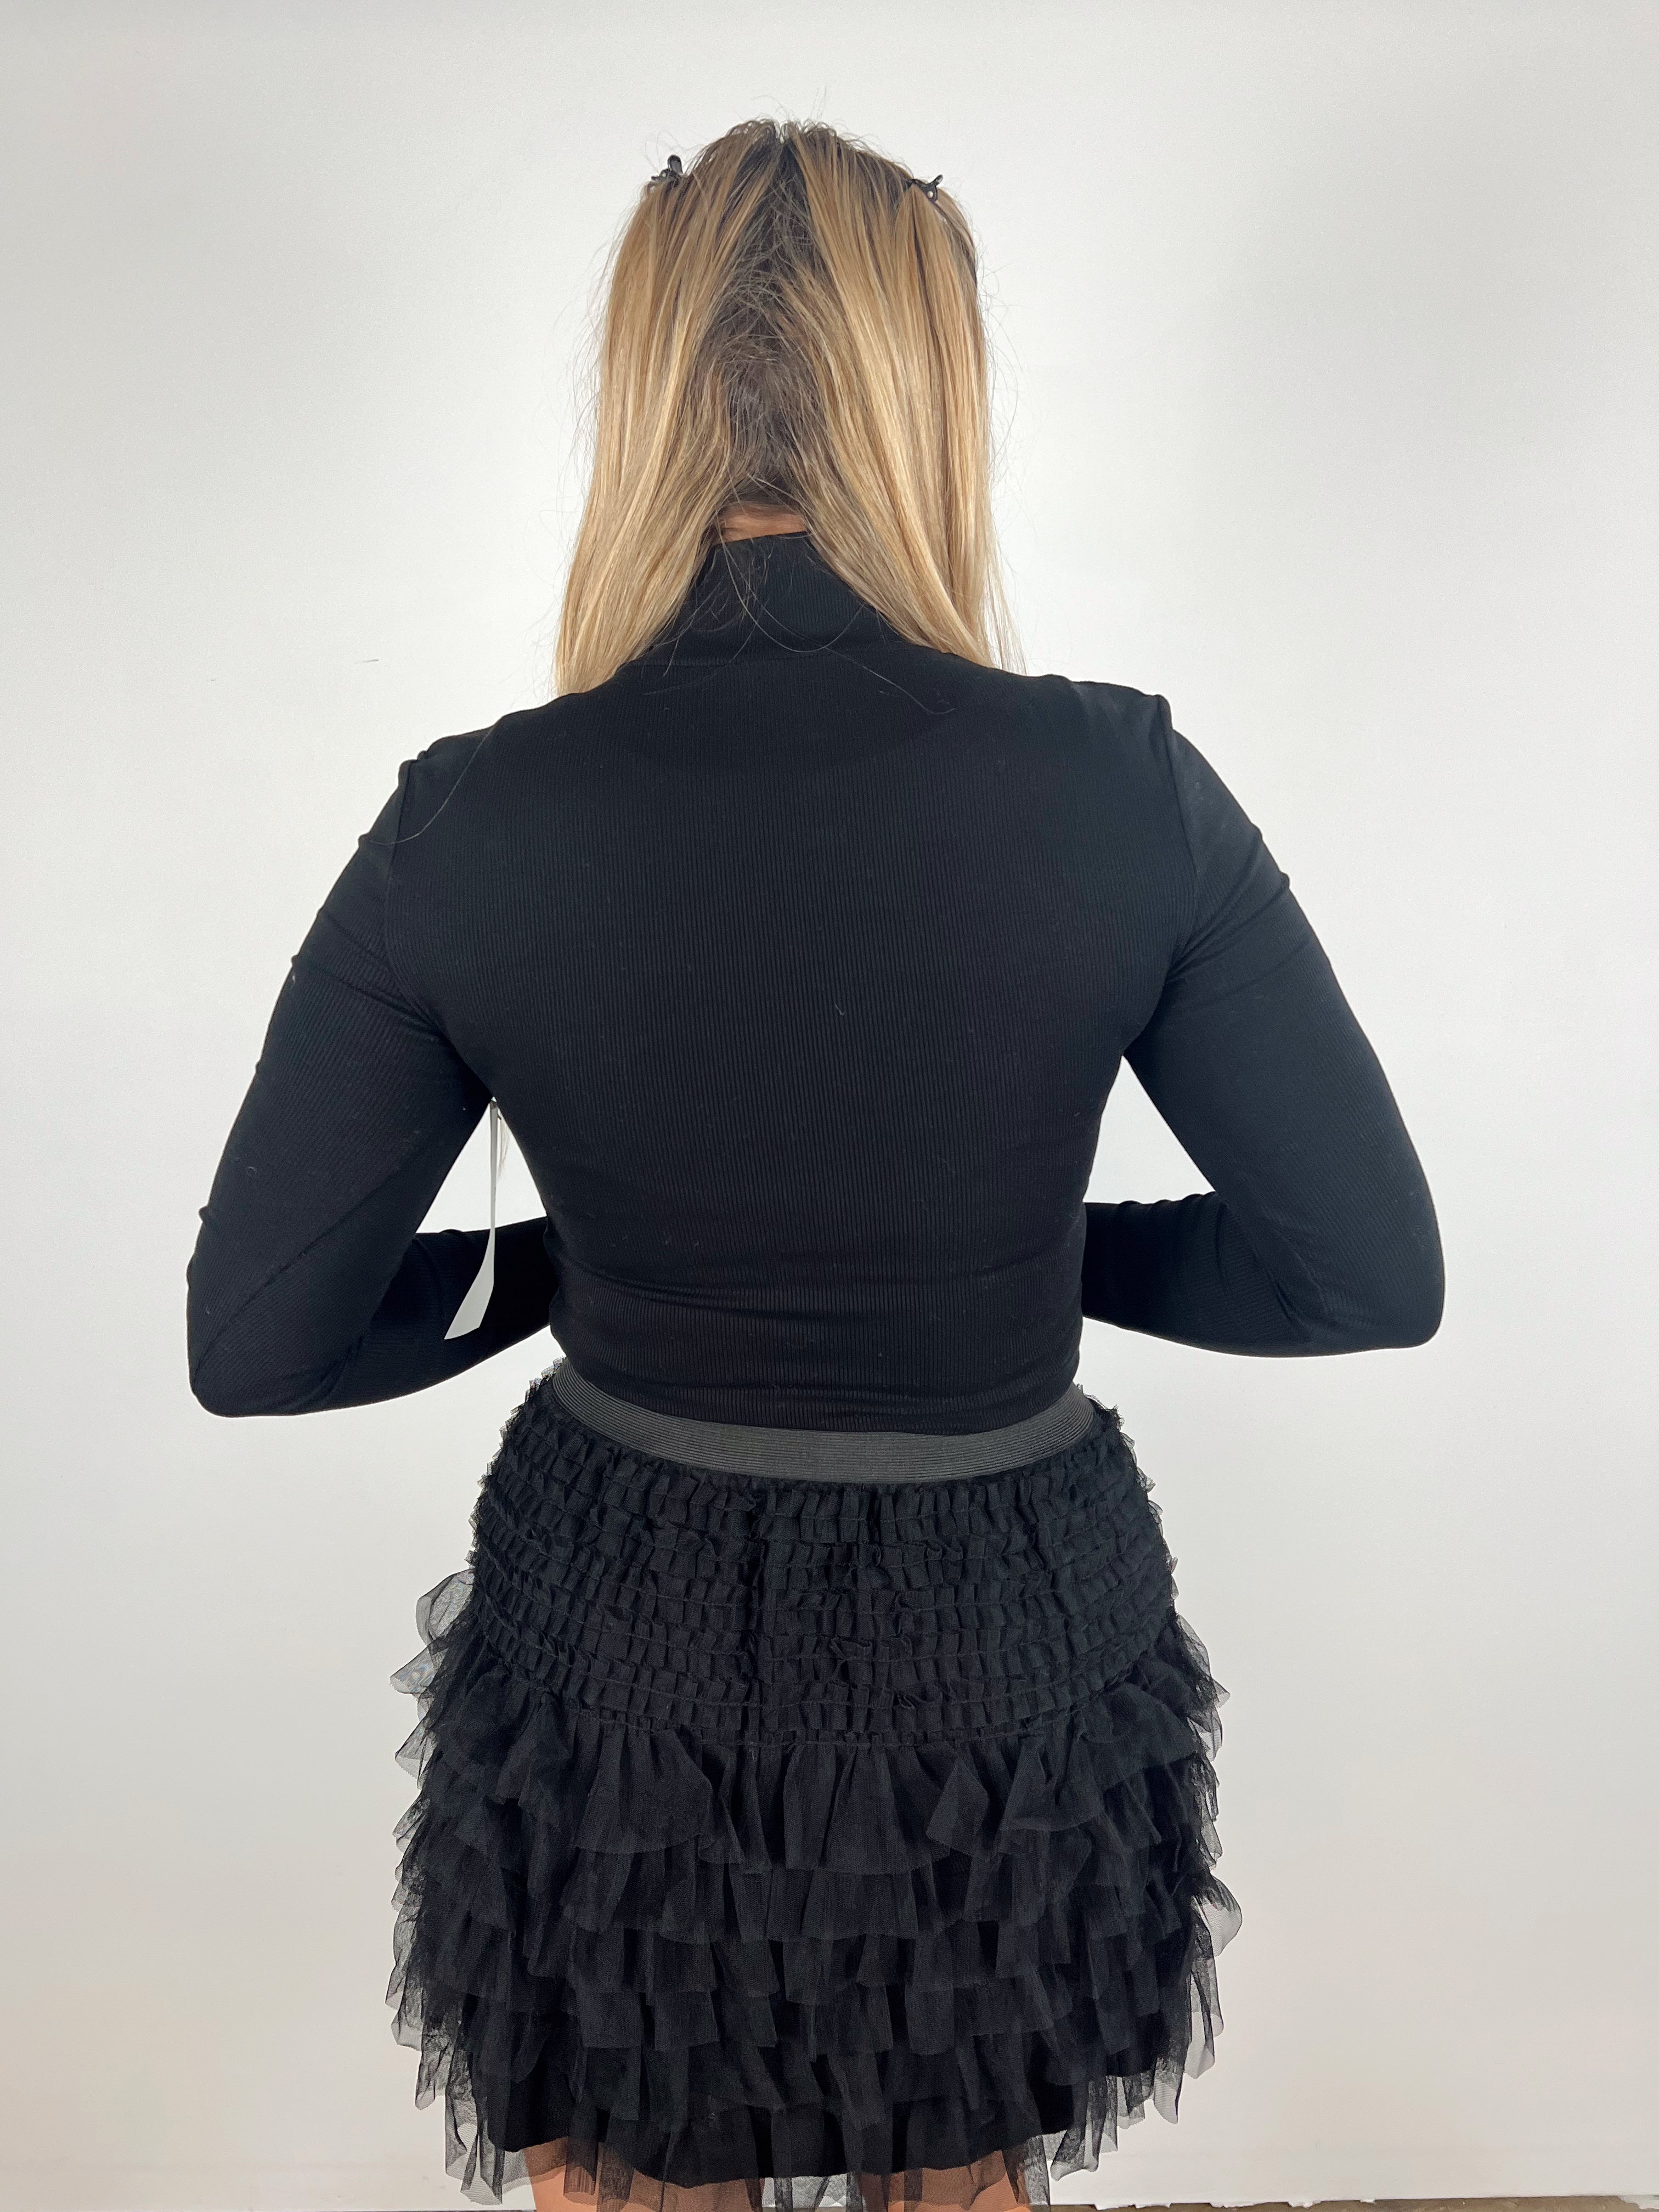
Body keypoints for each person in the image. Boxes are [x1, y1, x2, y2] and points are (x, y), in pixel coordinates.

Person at [185, 117, 1443, 2212]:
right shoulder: (1125, 787)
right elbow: (1362, 1278)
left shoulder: (468, 821)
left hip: (620, 1635)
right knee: (961, 2181)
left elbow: (261, 1342)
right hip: (1005, 1630)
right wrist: (1018, 1254)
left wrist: (562, 1270)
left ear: (642, 389)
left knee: (637, 2180)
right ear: (936, 384)